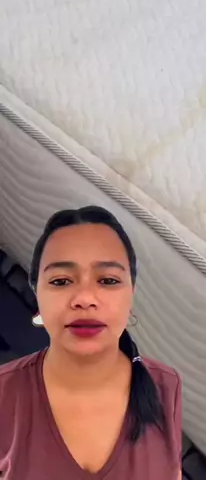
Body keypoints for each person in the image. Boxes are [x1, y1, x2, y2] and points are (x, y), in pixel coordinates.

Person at [0, 205, 183, 479]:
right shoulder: (4, 392)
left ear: (131, 294)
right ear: (37, 294)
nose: (85, 299)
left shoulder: (166, 385)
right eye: (61, 281)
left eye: (108, 280)